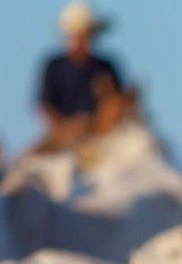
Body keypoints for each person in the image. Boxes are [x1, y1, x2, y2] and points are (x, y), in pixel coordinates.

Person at [35, 2, 125, 152]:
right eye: (78, 35)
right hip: (63, 134)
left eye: (87, 35)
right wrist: (67, 128)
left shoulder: (105, 67)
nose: (83, 41)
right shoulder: (54, 66)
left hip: (101, 136)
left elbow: (117, 105)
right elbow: (46, 105)